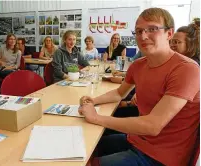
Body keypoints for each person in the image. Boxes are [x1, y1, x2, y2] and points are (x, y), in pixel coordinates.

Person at [79, 8, 199, 166]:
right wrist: (93, 101)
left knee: (88, 162)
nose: (143, 36)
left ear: (169, 34)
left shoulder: (187, 69)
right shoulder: (138, 65)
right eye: (138, 31)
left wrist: (96, 118)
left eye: (152, 29)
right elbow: (119, 93)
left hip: (161, 156)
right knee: (86, 146)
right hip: (137, 139)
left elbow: (152, 126)